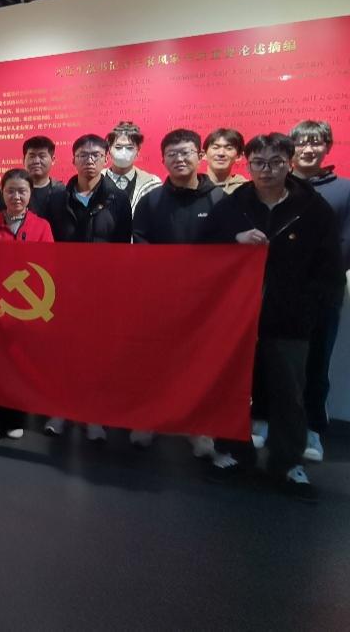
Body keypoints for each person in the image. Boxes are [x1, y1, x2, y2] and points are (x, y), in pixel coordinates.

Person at [203, 133, 344, 500]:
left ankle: (287, 462)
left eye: (276, 162)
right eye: (259, 163)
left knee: (289, 392)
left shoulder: (312, 209)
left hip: (289, 318)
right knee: (232, 389)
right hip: (237, 317)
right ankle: (231, 453)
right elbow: (203, 249)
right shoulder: (233, 205)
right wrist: (234, 239)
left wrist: (310, 308)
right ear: (248, 165)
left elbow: (330, 267)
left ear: (289, 163)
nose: (267, 170)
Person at [129, 129, 224, 455]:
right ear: (163, 159)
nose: (179, 159)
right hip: (161, 298)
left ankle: (198, 428)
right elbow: (140, 242)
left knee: (199, 365)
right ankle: (149, 420)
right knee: (155, 362)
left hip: (205, 300)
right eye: (172, 154)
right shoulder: (152, 200)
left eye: (186, 153)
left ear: (200, 155)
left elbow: (228, 249)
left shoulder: (219, 200)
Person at [289, 120, 350, 463]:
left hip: (322, 295)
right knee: (272, 360)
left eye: (316, 142)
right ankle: (267, 420)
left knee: (317, 363)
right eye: (302, 143)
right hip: (277, 293)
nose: (308, 149)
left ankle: (312, 429)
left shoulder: (348, 191)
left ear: (327, 147)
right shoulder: (275, 186)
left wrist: (314, 282)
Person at [45, 135, 131, 441]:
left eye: (95, 155)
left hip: (102, 289)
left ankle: (92, 413)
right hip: (63, 288)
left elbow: (122, 247)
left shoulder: (118, 200)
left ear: (106, 159)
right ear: (73, 159)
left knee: (97, 353)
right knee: (62, 352)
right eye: (83, 155)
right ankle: (60, 410)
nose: (89, 160)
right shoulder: (57, 198)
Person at [0, 169, 53, 441]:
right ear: (2, 192)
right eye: (10, 191)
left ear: (31, 194)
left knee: (21, 363)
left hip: (28, 308)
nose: (16, 196)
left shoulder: (42, 226)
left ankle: (15, 418)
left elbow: (48, 266)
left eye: (22, 191)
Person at [105, 121, 161, 213]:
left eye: (129, 148)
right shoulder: (95, 180)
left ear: (138, 151)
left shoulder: (152, 183)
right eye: (118, 147)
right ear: (109, 149)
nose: (123, 152)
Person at [22, 135, 59, 218]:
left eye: (42, 156)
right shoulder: (15, 192)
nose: (36, 161)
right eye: (32, 156)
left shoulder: (62, 192)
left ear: (53, 160)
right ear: (23, 160)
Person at [203, 128, 248, 193]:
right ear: (204, 154)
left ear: (239, 156)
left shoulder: (247, 190)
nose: (221, 153)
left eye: (229, 148)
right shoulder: (192, 187)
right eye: (215, 147)